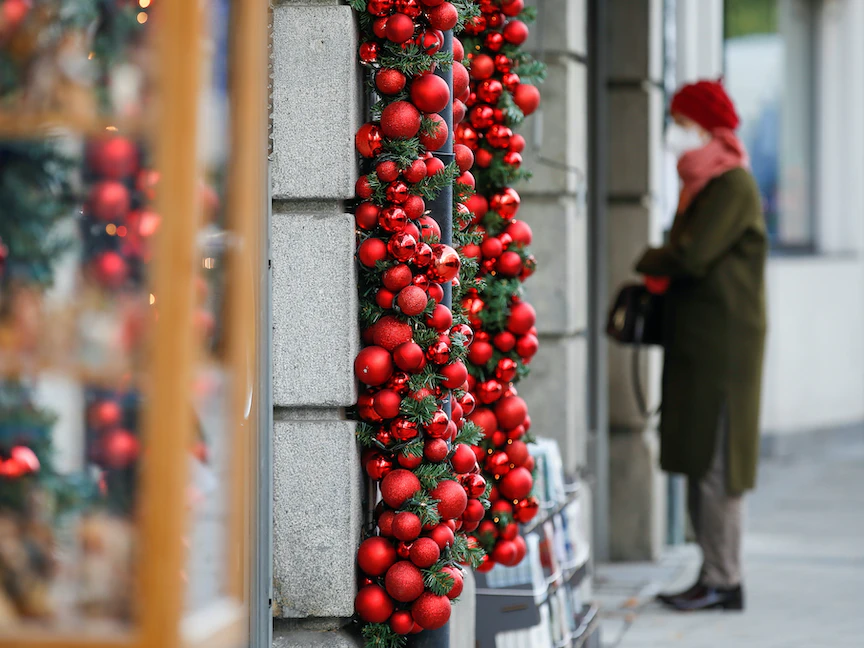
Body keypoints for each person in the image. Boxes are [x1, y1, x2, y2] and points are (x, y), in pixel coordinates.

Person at [634, 80, 767, 612]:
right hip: (700, 343)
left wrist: (649, 258)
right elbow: (685, 252)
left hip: (724, 350)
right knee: (698, 461)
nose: (673, 131)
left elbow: (689, 257)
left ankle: (724, 580)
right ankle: (710, 574)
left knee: (718, 465)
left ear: (703, 125)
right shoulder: (704, 185)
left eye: (680, 120)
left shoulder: (731, 185)